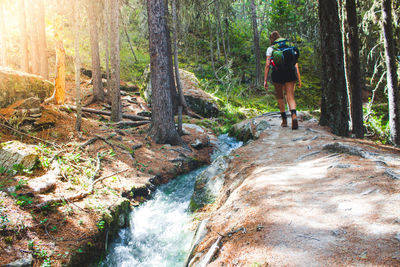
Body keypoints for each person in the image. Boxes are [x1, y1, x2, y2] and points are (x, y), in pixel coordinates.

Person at [264, 31, 301, 129]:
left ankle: (284, 120)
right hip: (290, 72)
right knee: (290, 96)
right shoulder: (288, 47)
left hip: (277, 74)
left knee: (280, 96)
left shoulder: (270, 49)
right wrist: (299, 79)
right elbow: (295, 64)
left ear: (271, 39)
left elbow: (267, 65)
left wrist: (265, 80)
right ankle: (294, 115)